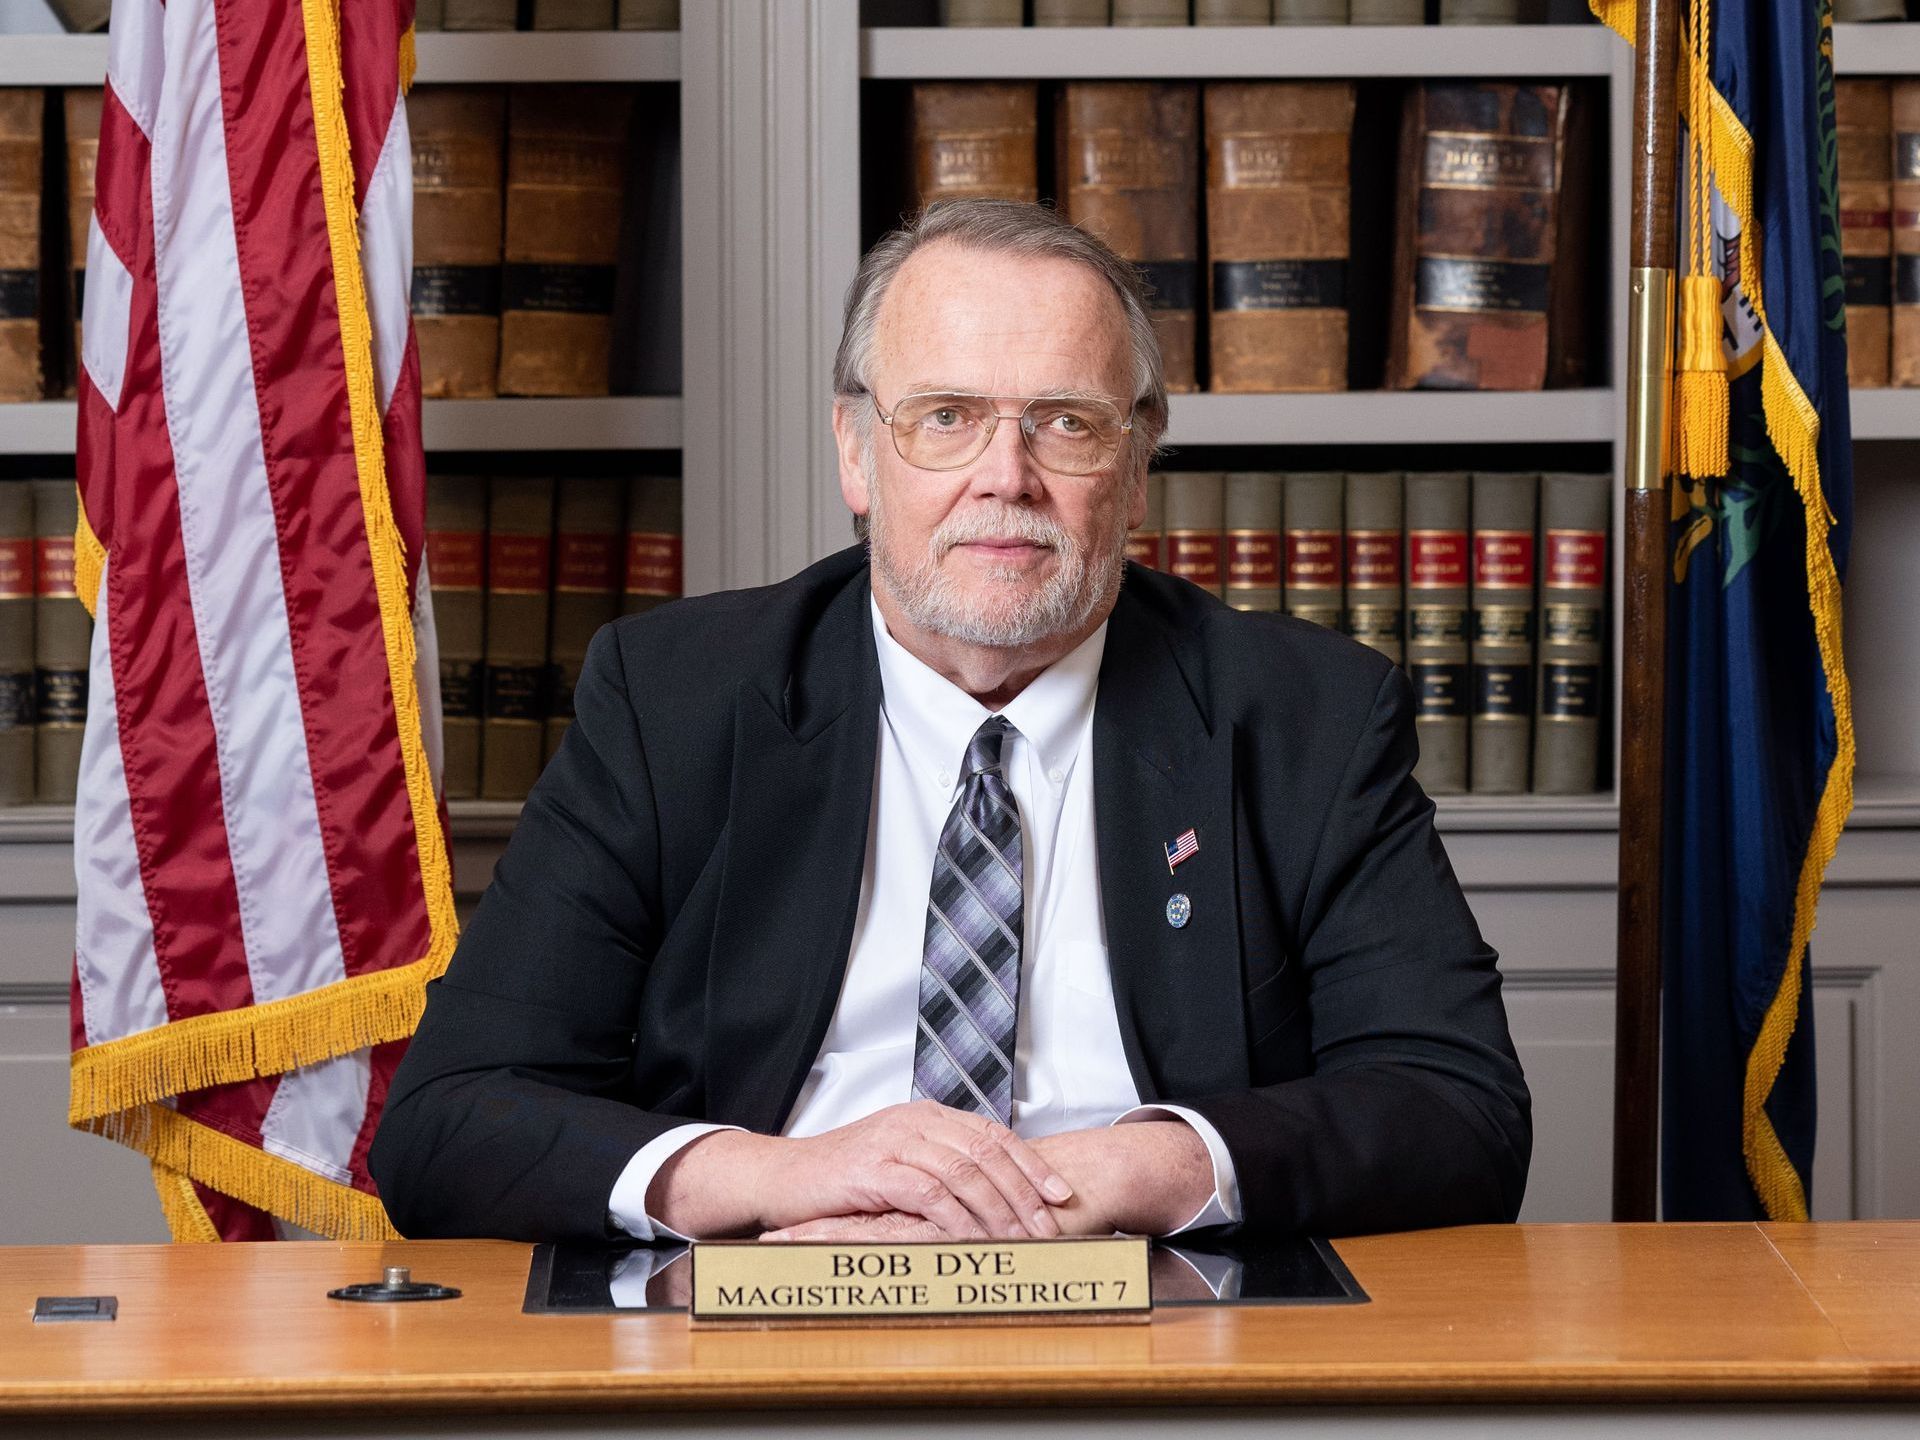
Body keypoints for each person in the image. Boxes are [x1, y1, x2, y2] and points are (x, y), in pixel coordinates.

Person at [369, 199, 1530, 1245]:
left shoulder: (1304, 715)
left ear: (1137, 469)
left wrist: (1126, 1170)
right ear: (858, 452)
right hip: (767, 1325)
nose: (1005, 476)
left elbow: (1457, 1107)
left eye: (1066, 423)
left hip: (1162, 1340)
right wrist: (775, 1176)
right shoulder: (675, 699)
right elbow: (450, 1123)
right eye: (945, 416)